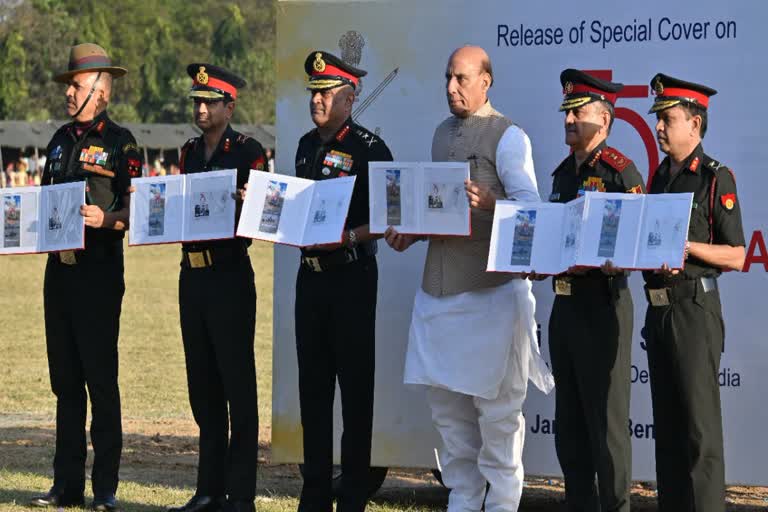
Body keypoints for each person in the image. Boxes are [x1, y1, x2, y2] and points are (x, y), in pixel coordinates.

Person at [385, 46, 553, 512]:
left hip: (491, 296)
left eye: (461, 78)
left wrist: (493, 205)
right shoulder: (441, 135)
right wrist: (412, 233)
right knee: (449, 418)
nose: (451, 87)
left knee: (499, 419)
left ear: (486, 81)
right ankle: (462, 500)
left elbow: (533, 215)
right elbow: (443, 211)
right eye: (447, 78)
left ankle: (500, 506)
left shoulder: (509, 136)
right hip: (436, 297)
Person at [29, 42, 142, 512]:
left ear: (100, 89)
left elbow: (138, 209)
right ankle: (66, 485)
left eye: (75, 85)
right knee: (65, 383)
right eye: (69, 85)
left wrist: (108, 219)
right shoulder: (56, 140)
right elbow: (41, 204)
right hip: (59, 275)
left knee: (100, 380)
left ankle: (106, 489)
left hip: (98, 275)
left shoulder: (122, 143)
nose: (68, 93)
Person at [538, 69, 646, 512]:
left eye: (577, 112)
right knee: (570, 426)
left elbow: (638, 241)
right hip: (564, 308)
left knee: (607, 426)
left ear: (603, 119)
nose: (568, 120)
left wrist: (614, 257)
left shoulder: (621, 172)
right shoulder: (563, 174)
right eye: (566, 111)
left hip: (603, 306)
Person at [294, 50, 393, 512]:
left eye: (326, 93)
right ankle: (314, 495)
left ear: (349, 99)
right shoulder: (303, 145)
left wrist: (347, 236)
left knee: (355, 392)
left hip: (352, 276)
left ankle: (353, 495)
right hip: (309, 281)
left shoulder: (371, 150)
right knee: (312, 391)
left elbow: (389, 217)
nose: (317, 100)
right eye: (314, 92)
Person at [167, 64, 267, 512]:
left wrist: (252, 203)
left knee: (237, 386)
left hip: (229, 275)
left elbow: (265, 219)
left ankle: (240, 494)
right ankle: (208, 490)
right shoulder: (188, 152)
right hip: (193, 276)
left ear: (231, 105)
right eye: (196, 100)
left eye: (209, 101)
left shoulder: (249, 152)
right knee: (202, 387)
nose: (200, 107)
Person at [643, 73, 745, 512]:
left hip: (694, 309)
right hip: (658, 311)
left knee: (699, 434)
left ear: (695, 125)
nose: (659, 128)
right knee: (666, 431)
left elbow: (738, 255)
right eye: (658, 119)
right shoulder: (659, 177)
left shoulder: (714, 178)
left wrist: (685, 249)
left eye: (668, 118)